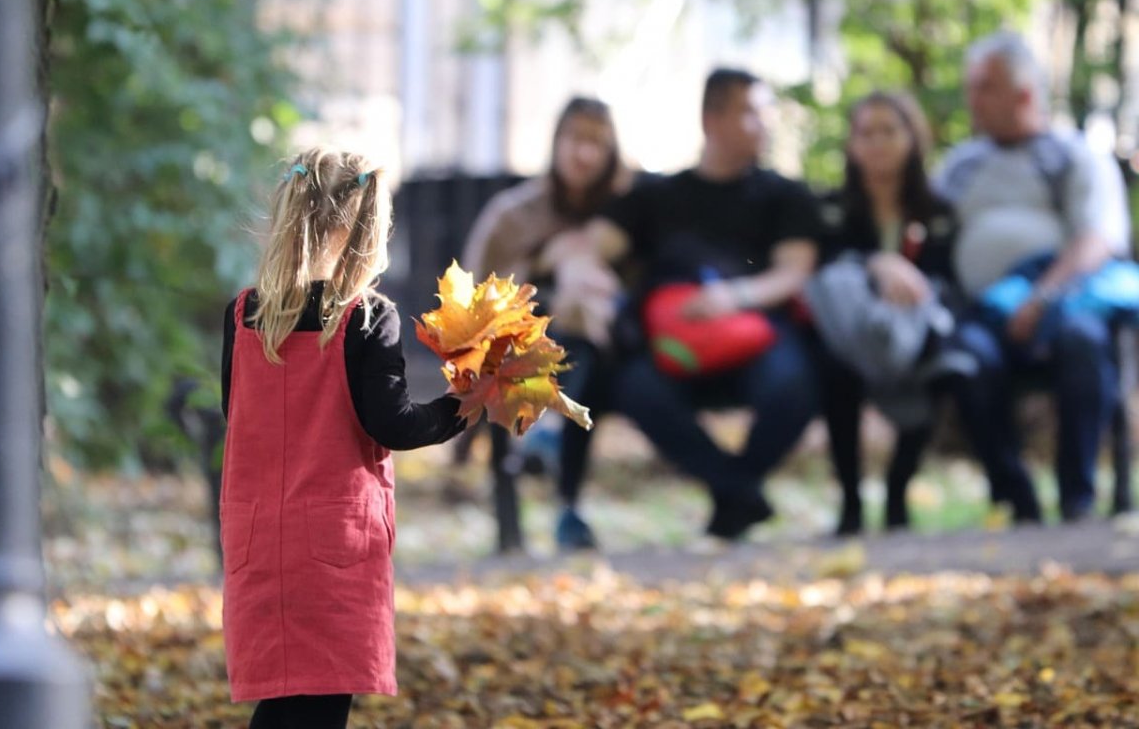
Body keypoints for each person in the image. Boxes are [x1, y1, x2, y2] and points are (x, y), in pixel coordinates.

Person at [219, 149, 466, 728]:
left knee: (283, 700)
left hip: (258, 540)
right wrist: (460, 408)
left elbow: (238, 412)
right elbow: (392, 424)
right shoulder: (365, 318)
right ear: (368, 233)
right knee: (321, 705)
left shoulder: (243, 316)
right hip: (334, 544)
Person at [548, 68, 823, 541]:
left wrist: (733, 298)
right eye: (750, 112)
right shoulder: (656, 196)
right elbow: (589, 247)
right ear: (711, 119)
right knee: (634, 387)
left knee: (794, 384)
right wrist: (579, 272)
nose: (764, 124)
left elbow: (795, 270)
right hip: (671, 344)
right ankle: (739, 492)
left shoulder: (785, 195)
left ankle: (733, 496)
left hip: (758, 335)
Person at [935, 31, 1132, 523]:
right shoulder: (960, 166)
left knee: (1083, 342)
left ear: (1023, 94)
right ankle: (1016, 500)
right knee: (965, 358)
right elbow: (926, 232)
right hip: (982, 311)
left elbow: (1097, 239)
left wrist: (1042, 298)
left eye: (984, 87)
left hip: (1064, 302)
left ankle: (1077, 499)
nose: (972, 100)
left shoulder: (1073, 155)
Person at [463, 96, 632, 551]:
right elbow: (473, 301)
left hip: (611, 355)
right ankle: (557, 482)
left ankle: (561, 480)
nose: (585, 153)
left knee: (585, 306)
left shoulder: (625, 210)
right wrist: (543, 266)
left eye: (597, 142)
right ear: (556, 141)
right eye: (576, 138)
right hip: (516, 353)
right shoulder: (512, 214)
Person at [813, 91, 959, 534]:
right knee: (834, 370)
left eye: (889, 131)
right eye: (866, 133)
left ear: (912, 137)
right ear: (851, 144)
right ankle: (851, 503)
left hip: (916, 333)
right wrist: (875, 263)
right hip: (849, 336)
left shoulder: (938, 211)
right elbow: (821, 270)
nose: (877, 143)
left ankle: (898, 494)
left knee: (942, 367)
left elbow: (948, 282)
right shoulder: (831, 209)